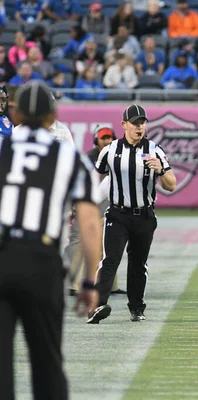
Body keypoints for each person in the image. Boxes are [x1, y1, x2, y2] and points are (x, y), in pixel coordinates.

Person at [0, 80, 101, 400]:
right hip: (41, 262)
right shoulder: (70, 158)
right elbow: (89, 224)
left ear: (15, 113)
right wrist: (89, 282)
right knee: (47, 364)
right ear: (52, 115)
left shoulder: (3, 149)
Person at [88, 104, 177, 324]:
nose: (139, 128)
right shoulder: (110, 150)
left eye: (143, 123)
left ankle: (136, 308)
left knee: (138, 263)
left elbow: (171, 184)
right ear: (124, 125)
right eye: (135, 123)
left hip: (144, 215)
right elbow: (95, 176)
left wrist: (159, 170)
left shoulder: (155, 150)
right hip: (117, 214)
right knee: (110, 259)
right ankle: (97, 305)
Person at [66, 125, 124, 296]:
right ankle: (72, 283)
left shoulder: (115, 154)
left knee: (107, 242)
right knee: (80, 239)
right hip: (89, 200)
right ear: (96, 140)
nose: (106, 141)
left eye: (109, 137)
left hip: (107, 199)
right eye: (103, 138)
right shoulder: (90, 158)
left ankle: (110, 284)